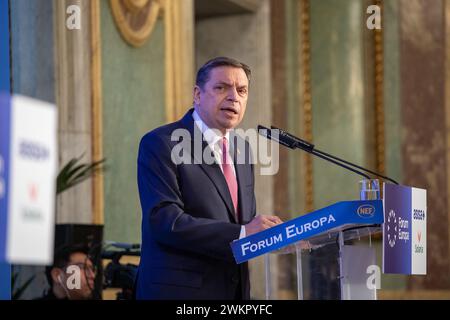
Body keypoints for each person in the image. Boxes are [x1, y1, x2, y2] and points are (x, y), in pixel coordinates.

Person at [136, 56, 283, 300]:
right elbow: (164, 220)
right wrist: (243, 233)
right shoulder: (162, 142)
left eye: (242, 90)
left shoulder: (243, 150)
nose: (234, 97)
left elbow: (241, 221)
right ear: (197, 94)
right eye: (221, 87)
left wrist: (279, 236)